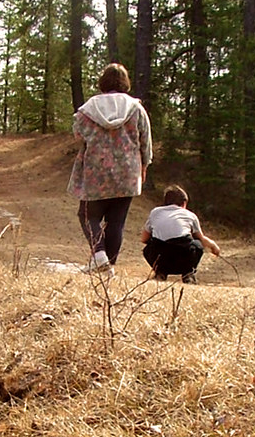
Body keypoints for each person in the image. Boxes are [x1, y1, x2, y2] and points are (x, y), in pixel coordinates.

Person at [68, 63, 153, 272]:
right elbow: (146, 141)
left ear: (103, 82)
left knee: (88, 215)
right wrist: (145, 165)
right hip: (128, 171)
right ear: (125, 82)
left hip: (96, 170)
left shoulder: (89, 109)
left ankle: (99, 257)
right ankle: (108, 265)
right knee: (117, 221)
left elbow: (78, 133)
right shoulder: (136, 108)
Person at [141, 184, 220, 284]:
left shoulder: (155, 212)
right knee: (198, 245)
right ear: (184, 203)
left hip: (160, 257)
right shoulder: (190, 215)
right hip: (183, 257)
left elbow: (144, 239)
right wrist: (214, 246)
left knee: (148, 248)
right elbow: (201, 238)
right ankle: (188, 274)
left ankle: (160, 272)